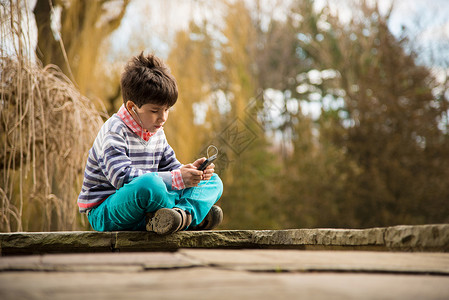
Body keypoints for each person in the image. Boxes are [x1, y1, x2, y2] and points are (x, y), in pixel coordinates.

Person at [77, 52, 223, 234]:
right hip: (108, 210)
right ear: (132, 107)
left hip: (149, 202)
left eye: (167, 110)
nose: (162, 117)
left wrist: (192, 173)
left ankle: (180, 215)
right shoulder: (114, 132)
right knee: (151, 185)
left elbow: (171, 167)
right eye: (154, 110)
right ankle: (192, 216)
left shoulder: (156, 131)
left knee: (213, 182)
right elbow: (122, 178)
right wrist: (177, 178)